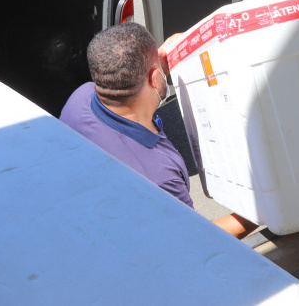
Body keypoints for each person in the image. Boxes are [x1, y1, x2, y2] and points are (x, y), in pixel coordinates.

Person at [59, 23, 258, 240]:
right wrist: (259, 211)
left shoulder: (81, 96)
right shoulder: (158, 176)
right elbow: (194, 239)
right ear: (154, 78)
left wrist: (154, 62)